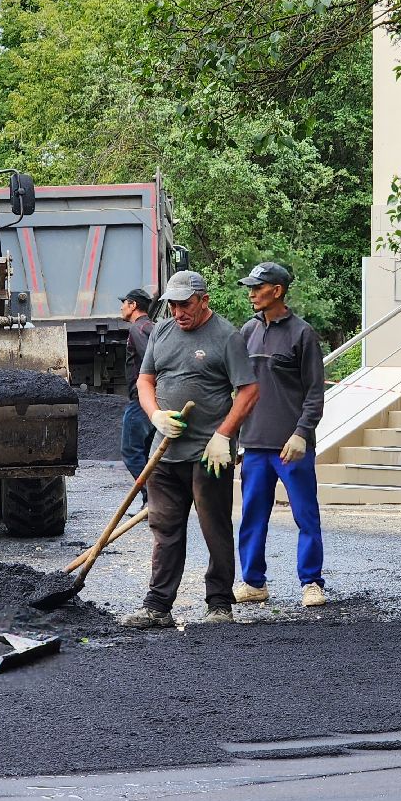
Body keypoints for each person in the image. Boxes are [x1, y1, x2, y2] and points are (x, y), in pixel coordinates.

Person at [123, 270, 258, 628]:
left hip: (208, 453)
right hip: (164, 452)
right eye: (173, 305)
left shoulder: (226, 337)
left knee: (214, 528)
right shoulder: (163, 331)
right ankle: (157, 606)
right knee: (164, 527)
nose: (179, 312)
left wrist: (223, 435)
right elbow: (145, 379)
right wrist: (155, 416)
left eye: (185, 305)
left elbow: (248, 391)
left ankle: (219, 604)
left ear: (204, 300)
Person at [234, 263, 329, 607]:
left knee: (306, 515)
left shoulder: (303, 334)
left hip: (292, 447)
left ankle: (312, 583)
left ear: (277, 290)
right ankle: (253, 582)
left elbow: (315, 392)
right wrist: (232, 438)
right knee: (252, 517)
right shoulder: (247, 331)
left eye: (258, 288)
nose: (251, 293)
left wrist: (302, 432)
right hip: (255, 445)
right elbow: (238, 389)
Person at [118, 287, 155, 504]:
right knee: (149, 453)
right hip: (152, 399)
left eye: (124, 303)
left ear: (133, 306)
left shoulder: (138, 330)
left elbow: (151, 359)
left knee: (131, 451)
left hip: (141, 400)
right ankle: (153, 500)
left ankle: (152, 498)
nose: (122, 307)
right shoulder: (153, 328)